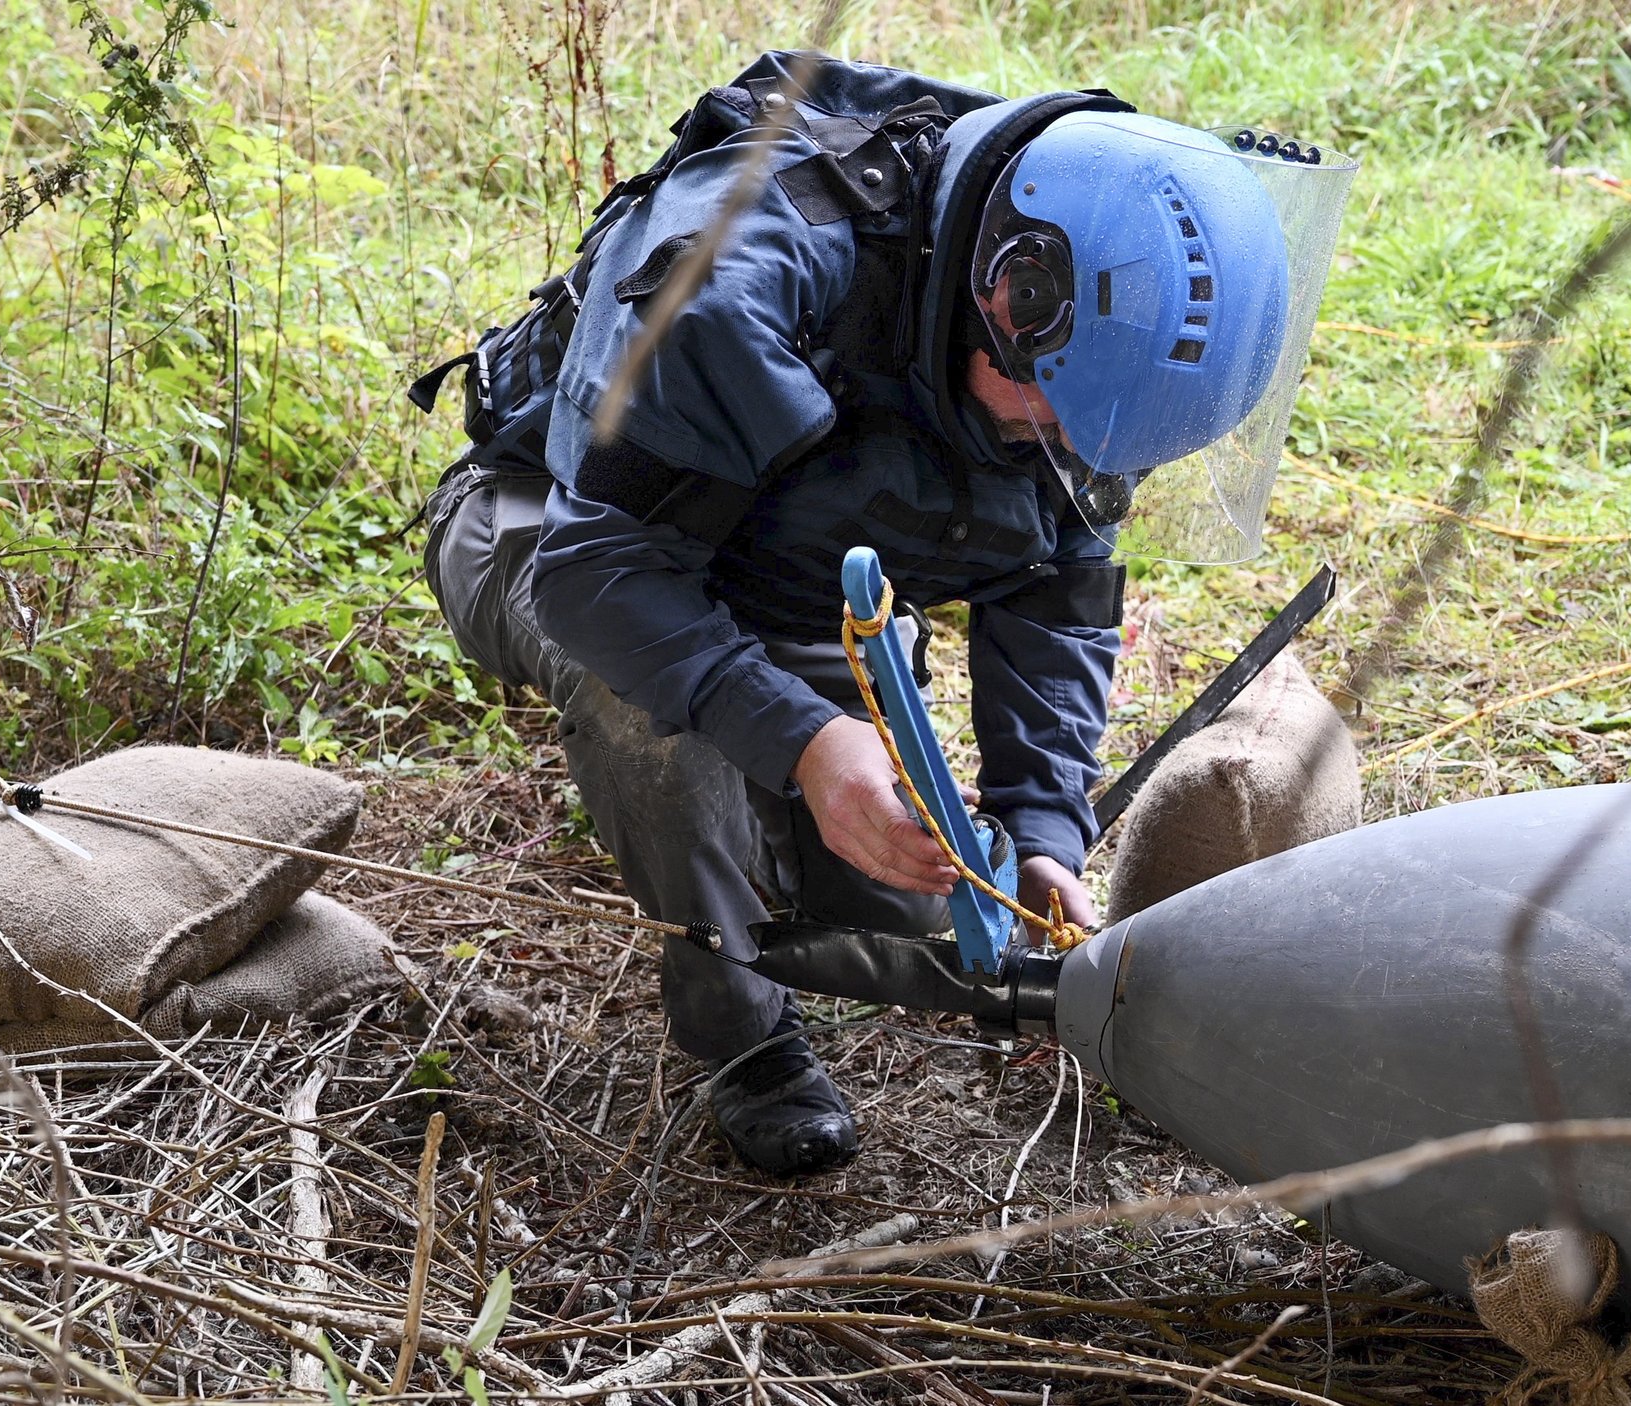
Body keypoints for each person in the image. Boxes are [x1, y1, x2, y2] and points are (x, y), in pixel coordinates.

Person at [417, 52, 1346, 1175]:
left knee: (903, 909)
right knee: (642, 707)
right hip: (552, 520)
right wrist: (805, 740)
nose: (1067, 448)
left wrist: (1042, 819)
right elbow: (595, 569)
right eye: (1052, 421)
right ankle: (740, 1030)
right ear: (1002, 291)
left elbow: (1052, 590)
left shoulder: (1100, 341)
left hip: (786, 569)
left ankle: (792, 823)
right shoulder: (740, 280)